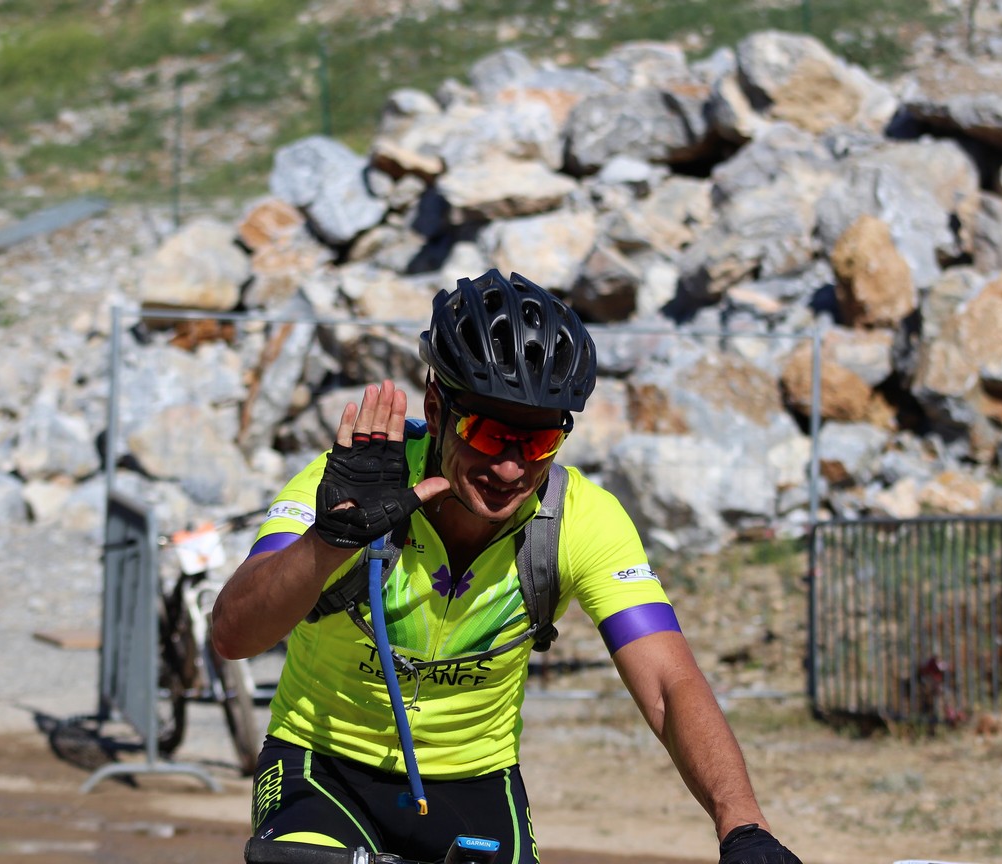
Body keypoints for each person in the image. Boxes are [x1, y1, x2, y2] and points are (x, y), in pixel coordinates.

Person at [211, 269, 801, 864]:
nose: (512, 468)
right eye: (489, 434)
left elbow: (670, 684)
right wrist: (329, 541)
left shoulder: (582, 520)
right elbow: (234, 635)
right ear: (436, 408)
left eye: (539, 442)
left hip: (475, 784)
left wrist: (743, 825)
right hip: (321, 767)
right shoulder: (349, 485)